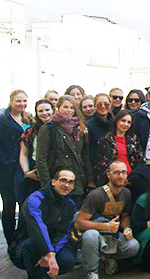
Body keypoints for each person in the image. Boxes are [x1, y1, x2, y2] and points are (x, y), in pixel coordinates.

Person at [75, 160, 140, 279]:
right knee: (91, 236)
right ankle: (92, 272)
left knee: (133, 245)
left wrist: (127, 228)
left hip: (112, 235)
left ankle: (109, 258)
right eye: (116, 172)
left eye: (123, 172)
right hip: (96, 234)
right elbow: (79, 223)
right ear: (108, 175)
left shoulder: (126, 193)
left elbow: (125, 215)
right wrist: (106, 227)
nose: (121, 176)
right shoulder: (96, 195)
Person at [8, 168, 78, 279]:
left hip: (51, 247)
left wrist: (53, 252)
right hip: (23, 247)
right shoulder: (35, 199)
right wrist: (49, 253)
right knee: (32, 245)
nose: (66, 185)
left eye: (70, 182)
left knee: (68, 260)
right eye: (63, 180)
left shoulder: (70, 204)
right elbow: (37, 228)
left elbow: (64, 232)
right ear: (53, 182)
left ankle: (43, 276)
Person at [37, 95, 92, 205]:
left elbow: (85, 156)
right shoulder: (49, 128)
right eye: (65, 107)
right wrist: (46, 183)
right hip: (57, 180)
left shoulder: (80, 128)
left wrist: (89, 179)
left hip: (77, 181)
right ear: (58, 108)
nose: (69, 110)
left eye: (72, 108)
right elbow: (41, 158)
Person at [0, 90, 32, 245]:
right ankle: (11, 240)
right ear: (11, 101)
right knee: (9, 206)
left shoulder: (28, 117)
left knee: (24, 204)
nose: (22, 104)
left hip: (23, 168)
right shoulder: (2, 119)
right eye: (18, 101)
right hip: (7, 169)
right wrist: (5, 162)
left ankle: (20, 238)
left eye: (25, 101)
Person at [96, 110, 143, 192]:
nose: (126, 124)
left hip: (132, 181)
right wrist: (118, 177)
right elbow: (102, 163)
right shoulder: (106, 140)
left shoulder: (133, 140)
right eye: (123, 121)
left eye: (129, 122)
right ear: (117, 121)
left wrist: (130, 178)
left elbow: (139, 160)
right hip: (112, 182)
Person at [18, 99, 54, 202]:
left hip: (54, 172)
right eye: (40, 111)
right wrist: (27, 172)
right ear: (36, 113)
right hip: (34, 173)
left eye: (47, 110)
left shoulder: (60, 129)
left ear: (53, 110)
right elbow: (23, 154)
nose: (44, 113)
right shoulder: (30, 132)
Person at [87, 93, 113, 176]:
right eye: (99, 105)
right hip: (97, 168)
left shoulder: (115, 122)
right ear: (94, 106)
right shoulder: (89, 125)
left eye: (106, 104)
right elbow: (88, 153)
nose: (103, 106)